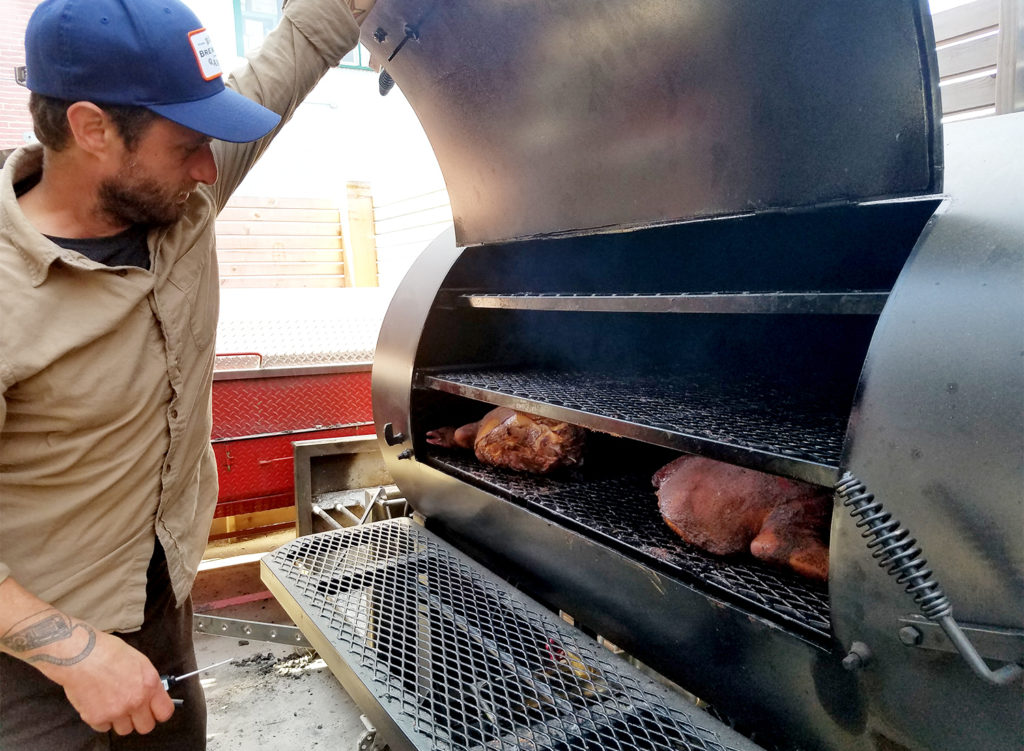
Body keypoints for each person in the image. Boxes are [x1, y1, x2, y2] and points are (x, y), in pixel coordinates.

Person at [0, 0, 374, 747]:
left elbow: (306, 36)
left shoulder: (176, 193)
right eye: (189, 146)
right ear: (92, 129)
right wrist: (76, 654)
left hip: (162, 606)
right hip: (30, 660)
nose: (209, 170)